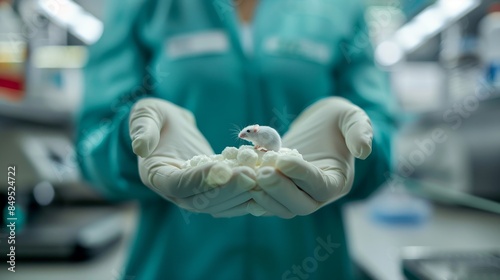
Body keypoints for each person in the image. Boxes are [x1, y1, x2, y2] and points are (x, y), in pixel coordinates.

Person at [75, 0, 395, 279]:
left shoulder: (342, 7)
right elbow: (91, 141)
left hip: (309, 264)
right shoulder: (142, 4)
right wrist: (131, 141)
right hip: (175, 265)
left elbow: (382, 143)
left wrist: (352, 148)